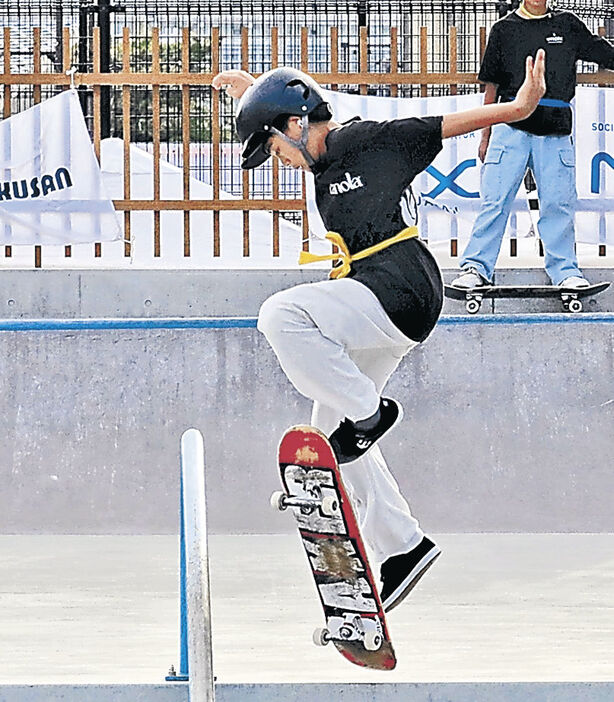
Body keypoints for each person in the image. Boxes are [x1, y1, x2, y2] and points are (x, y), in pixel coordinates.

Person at [212, 52, 546, 612]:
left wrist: (516, 107)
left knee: (280, 316)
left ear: (295, 128)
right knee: (329, 435)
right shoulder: (317, 157)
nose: (281, 163)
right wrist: (252, 93)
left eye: (273, 150)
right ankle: (402, 545)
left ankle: (371, 413)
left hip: (401, 285)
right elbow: (287, 99)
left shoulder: (369, 140)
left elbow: (442, 125)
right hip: (386, 301)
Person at [453, 0, 614, 290]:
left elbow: (603, 52)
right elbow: (491, 86)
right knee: (495, 201)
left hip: (555, 128)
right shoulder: (503, 29)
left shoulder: (568, 24)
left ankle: (565, 271)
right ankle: (476, 267)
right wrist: (485, 134)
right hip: (508, 126)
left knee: (558, 203)